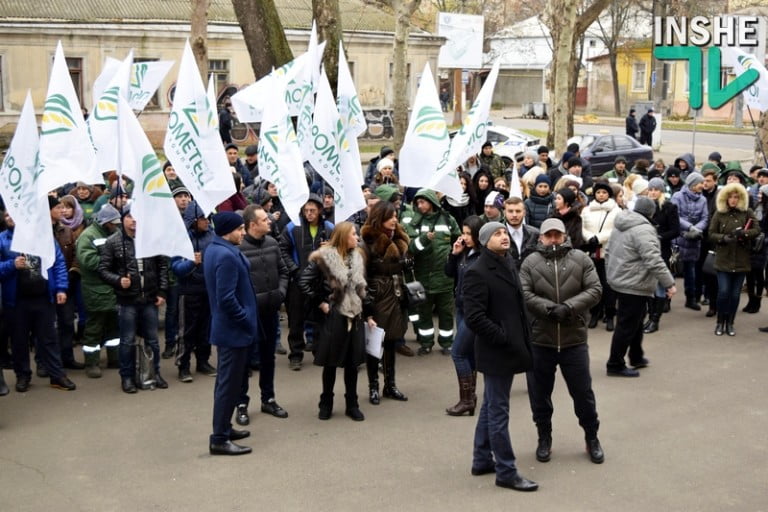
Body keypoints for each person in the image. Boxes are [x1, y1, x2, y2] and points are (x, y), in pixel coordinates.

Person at [520, 218, 604, 464]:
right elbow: (524, 293)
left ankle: (592, 437)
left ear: (565, 236)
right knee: (539, 395)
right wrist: (548, 309)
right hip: (540, 340)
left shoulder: (581, 259)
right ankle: (544, 437)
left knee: (583, 394)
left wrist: (568, 307)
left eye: (558, 235)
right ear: (541, 238)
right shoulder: (530, 262)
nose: (554, 239)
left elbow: (595, 289)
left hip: (574, 340)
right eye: (549, 235)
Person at [462, 222, 537, 492]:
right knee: (498, 411)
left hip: (511, 346)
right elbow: (474, 317)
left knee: (491, 405)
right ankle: (506, 470)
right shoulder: (477, 271)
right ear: (484, 241)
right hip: (497, 351)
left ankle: (482, 458)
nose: (504, 236)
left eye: (504, 232)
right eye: (496, 234)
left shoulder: (507, 261)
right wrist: (503, 337)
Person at [298, 222, 371, 421]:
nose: (357, 238)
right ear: (342, 237)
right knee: (331, 363)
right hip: (334, 317)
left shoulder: (358, 256)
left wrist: (370, 314)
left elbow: (363, 288)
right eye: (353, 234)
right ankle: (326, 403)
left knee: (352, 363)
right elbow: (303, 282)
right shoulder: (324, 258)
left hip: (354, 315)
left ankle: (352, 404)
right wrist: (321, 302)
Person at [0, 211, 77, 392]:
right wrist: (11, 265)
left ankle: (56, 375)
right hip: (16, 302)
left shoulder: (42, 237)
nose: (11, 218)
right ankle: (23, 376)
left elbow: (57, 262)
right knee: (19, 341)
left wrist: (60, 288)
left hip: (43, 298)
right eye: (7, 215)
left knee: (49, 339)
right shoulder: (2, 239)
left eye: (14, 214)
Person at [98, 206, 169, 393]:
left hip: (149, 298)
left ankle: (154, 373)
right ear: (122, 219)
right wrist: (118, 281)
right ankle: (127, 377)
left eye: (138, 216)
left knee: (152, 340)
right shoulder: (113, 242)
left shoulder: (151, 240)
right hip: (127, 300)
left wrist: (162, 292)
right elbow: (103, 270)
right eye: (129, 216)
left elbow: (162, 266)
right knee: (127, 340)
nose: (134, 220)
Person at [605, 198, 676, 377]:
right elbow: (653, 259)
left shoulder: (622, 223)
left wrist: (611, 274)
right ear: (651, 212)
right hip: (634, 283)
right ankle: (615, 364)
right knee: (627, 324)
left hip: (621, 279)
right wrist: (669, 283)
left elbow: (608, 252)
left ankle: (636, 356)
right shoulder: (644, 229)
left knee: (635, 320)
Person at [204, 211, 255, 455]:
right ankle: (219, 438)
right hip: (232, 331)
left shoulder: (218, 249)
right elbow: (226, 298)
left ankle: (224, 427)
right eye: (240, 229)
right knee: (227, 385)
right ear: (228, 231)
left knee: (229, 384)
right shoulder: (224, 255)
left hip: (230, 330)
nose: (244, 232)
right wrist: (245, 319)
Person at [236, 205, 290, 425]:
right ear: (252, 225)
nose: (269, 221)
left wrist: (281, 293)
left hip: (270, 311)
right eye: (264, 219)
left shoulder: (272, 244)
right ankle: (241, 404)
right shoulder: (238, 248)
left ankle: (268, 398)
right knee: (245, 361)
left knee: (269, 358)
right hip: (248, 315)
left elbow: (284, 271)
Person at [361, 202, 410, 405]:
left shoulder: (398, 237)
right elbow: (361, 274)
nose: (395, 220)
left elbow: (398, 265)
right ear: (379, 218)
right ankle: (374, 387)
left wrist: (405, 263)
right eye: (390, 217)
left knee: (391, 341)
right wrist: (367, 304)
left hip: (396, 293)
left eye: (396, 216)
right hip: (377, 295)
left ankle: (390, 385)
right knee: (375, 344)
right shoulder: (368, 240)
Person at [279, 195, 334, 370]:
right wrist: (294, 269)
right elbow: (282, 250)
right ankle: (295, 355)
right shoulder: (292, 227)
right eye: (306, 210)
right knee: (295, 320)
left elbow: (340, 250)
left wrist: (330, 247)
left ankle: (319, 351)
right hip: (298, 282)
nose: (309, 214)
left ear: (319, 211)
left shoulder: (329, 228)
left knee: (320, 318)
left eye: (313, 210)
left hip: (320, 282)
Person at [406, 189, 461, 355]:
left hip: (445, 277)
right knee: (424, 313)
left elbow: (457, 238)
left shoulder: (447, 219)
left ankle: (447, 343)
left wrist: (453, 255)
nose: (419, 205)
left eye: (422, 202)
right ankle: (426, 343)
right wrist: (424, 239)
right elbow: (411, 248)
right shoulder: (415, 222)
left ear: (431, 201)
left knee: (445, 313)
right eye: (417, 203)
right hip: (423, 277)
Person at [171, 200, 217, 382]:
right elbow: (175, 268)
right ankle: (183, 365)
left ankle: (203, 361)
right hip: (188, 292)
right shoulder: (182, 238)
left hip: (208, 290)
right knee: (187, 331)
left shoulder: (212, 235)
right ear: (193, 220)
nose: (207, 221)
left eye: (208, 218)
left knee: (205, 329)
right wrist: (191, 262)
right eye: (203, 218)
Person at [75, 204, 122, 378]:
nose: (115, 225)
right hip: (95, 288)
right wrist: (110, 263)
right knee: (94, 327)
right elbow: (87, 260)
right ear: (104, 222)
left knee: (113, 326)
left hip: (113, 287)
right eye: (113, 222)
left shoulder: (114, 233)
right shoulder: (88, 236)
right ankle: (91, 363)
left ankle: (114, 358)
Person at [708, 183, 759, 336]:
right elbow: (711, 233)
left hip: (741, 260)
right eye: (730, 197)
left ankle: (730, 323)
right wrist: (724, 238)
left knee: (735, 294)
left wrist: (744, 234)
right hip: (723, 259)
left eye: (736, 197)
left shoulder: (747, 212)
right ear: (725, 198)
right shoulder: (719, 213)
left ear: (741, 198)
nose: (733, 200)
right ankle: (720, 322)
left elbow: (756, 229)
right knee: (723, 292)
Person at [444, 215, 483, 416]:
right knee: (468, 353)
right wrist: (454, 254)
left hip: (474, 312)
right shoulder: (464, 253)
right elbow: (449, 273)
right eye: (463, 232)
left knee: (457, 353)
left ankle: (466, 400)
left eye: (469, 233)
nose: (465, 237)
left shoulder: (484, 256)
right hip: (460, 308)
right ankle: (471, 396)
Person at [643, 178, 680, 333]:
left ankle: (655, 320)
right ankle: (650, 316)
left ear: (661, 191)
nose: (653, 192)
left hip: (661, 251)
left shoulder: (669, 207)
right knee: (648, 286)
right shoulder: (644, 206)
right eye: (650, 189)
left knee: (658, 285)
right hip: (644, 250)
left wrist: (659, 237)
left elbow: (675, 230)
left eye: (656, 189)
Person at [581, 182, 620, 329]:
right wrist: (590, 238)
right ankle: (595, 313)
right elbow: (582, 227)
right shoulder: (586, 210)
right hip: (591, 252)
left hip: (608, 252)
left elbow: (616, 229)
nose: (601, 195)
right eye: (598, 192)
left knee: (608, 285)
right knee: (593, 285)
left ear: (608, 194)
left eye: (604, 192)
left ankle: (609, 315)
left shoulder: (616, 210)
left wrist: (599, 238)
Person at [671, 173, 709, 310]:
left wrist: (696, 230)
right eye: (701, 182)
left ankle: (691, 299)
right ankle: (666, 301)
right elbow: (676, 215)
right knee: (671, 270)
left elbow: (705, 218)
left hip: (694, 239)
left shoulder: (702, 200)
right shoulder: (677, 197)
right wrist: (689, 227)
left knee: (690, 271)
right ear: (693, 184)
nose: (703, 185)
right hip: (678, 238)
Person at [503, 197, 538, 269]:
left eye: (518, 211)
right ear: (504, 212)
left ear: (524, 213)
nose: (514, 215)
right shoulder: (496, 234)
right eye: (510, 211)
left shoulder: (535, 234)